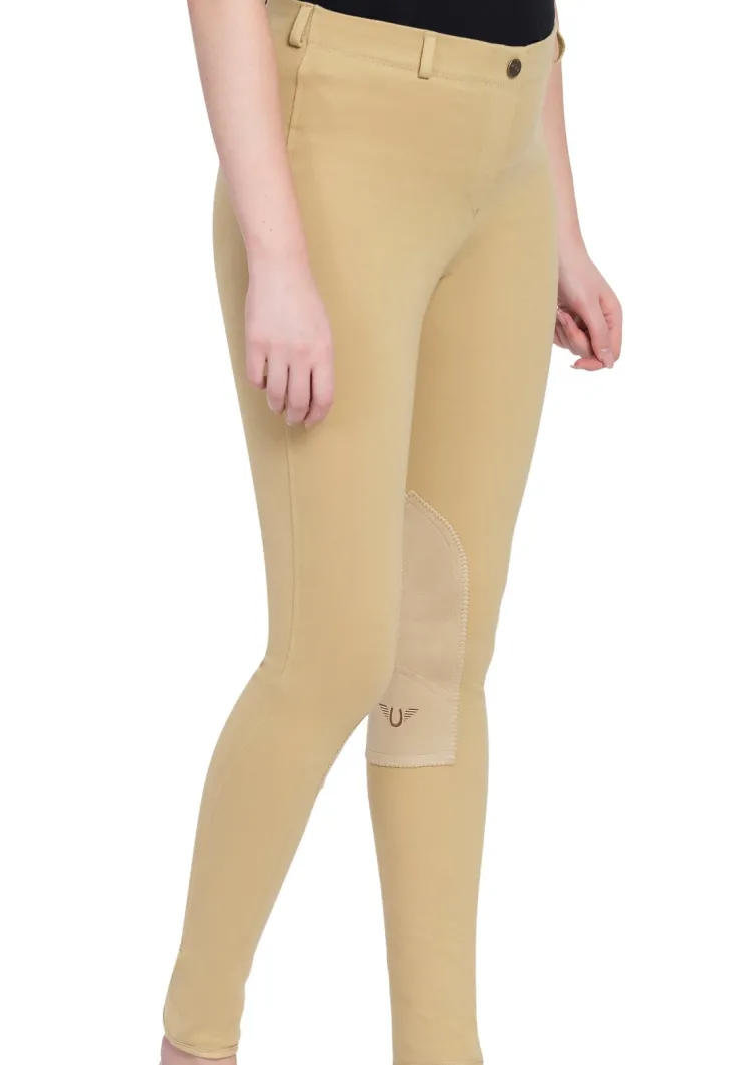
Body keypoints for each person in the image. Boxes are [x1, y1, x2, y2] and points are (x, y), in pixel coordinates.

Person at [160, 0, 622, 1061]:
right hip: (338, 142)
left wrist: (561, 220)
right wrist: (277, 255)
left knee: (441, 664)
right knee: (332, 656)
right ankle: (196, 1038)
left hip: (507, 160)